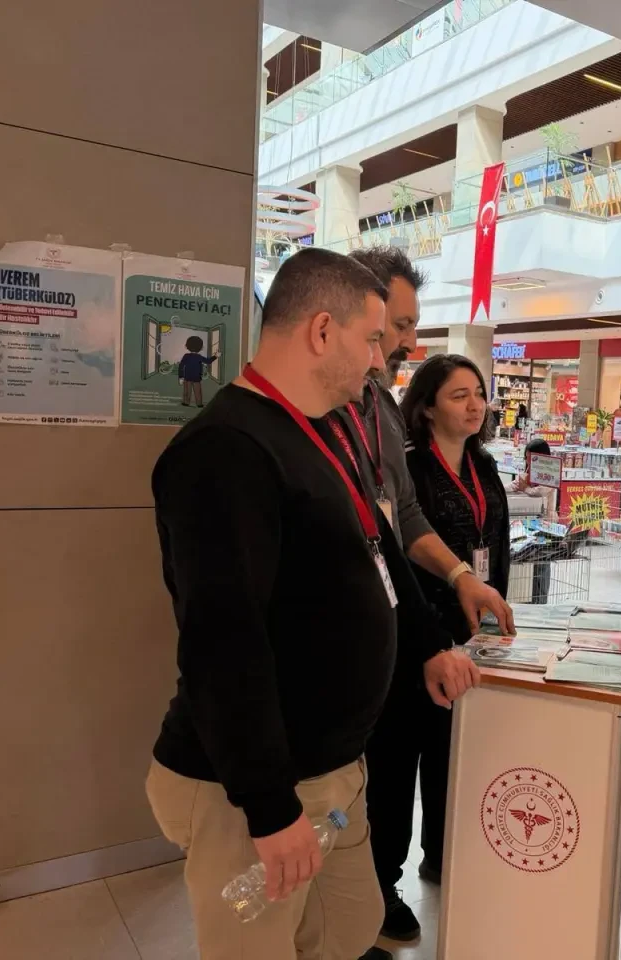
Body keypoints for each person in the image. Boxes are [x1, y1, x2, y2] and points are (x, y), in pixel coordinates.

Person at [146, 248, 427, 960]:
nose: (380, 358)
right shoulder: (224, 451)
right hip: (253, 788)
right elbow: (222, 644)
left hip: (332, 767)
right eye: (372, 338)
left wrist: (426, 646)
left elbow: (375, 552)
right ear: (322, 331)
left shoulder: (321, 427)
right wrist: (269, 808)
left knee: (349, 925)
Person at [343, 248, 511, 953]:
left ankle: (382, 889)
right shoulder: (288, 424)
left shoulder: (377, 406)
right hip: (362, 647)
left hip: (420, 630)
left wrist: (463, 579)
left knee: (411, 769)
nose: (407, 343)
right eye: (397, 327)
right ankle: (373, 891)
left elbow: (399, 522)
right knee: (379, 778)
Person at [178, 334, 217, 407]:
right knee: (198, 391)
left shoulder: (186, 356)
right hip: (197, 377)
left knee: (187, 391)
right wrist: (216, 356)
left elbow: (181, 366)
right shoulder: (199, 357)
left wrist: (181, 377)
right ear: (201, 348)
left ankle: (186, 402)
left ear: (187, 346)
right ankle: (199, 404)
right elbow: (208, 361)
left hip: (187, 377)